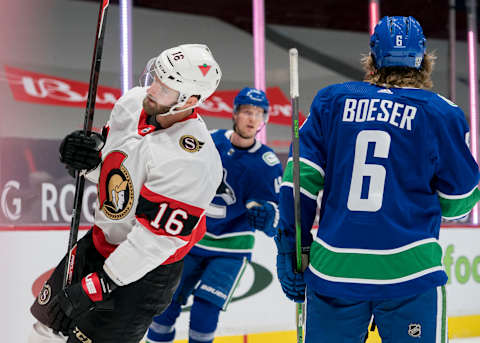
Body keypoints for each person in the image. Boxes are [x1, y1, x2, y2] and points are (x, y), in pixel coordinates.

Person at [276, 16, 480, 343]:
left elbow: (298, 181)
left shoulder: (332, 101)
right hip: (411, 273)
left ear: (371, 60)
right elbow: (459, 205)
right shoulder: (442, 113)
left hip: (334, 270)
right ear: (424, 61)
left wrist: (290, 246)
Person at [29, 43, 223, 343]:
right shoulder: (133, 104)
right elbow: (114, 173)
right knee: (45, 327)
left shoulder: (193, 160)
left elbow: (156, 241)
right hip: (100, 242)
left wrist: (102, 283)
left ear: (190, 100)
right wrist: (86, 162)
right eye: (155, 77)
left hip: (145, 274)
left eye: (165, 87)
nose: (152, 89)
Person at [145, 87, 283, 343]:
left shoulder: (267, 163)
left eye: (258, 113)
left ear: (264, 119)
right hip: (191, 239)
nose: (252, 119)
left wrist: (268, 217)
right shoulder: (209, 141)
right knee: (163, 306)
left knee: (204, 313)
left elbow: (275, 217)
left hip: (231, 248)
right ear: (235, 114)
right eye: (246, 112)